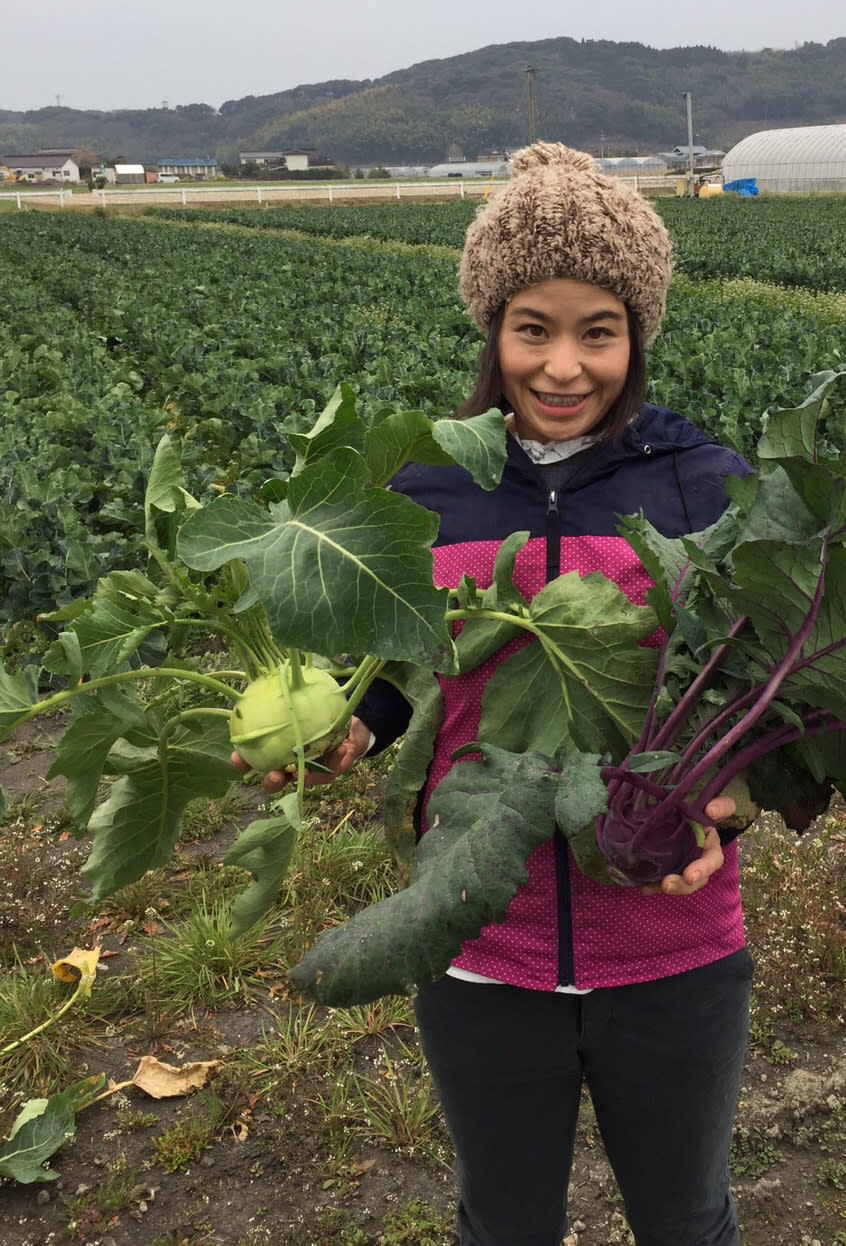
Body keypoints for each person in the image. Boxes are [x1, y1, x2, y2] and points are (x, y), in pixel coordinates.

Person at [238, 143, 754, 1246]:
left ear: (637, 334)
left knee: (685, 1214)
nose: (564, 364)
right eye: (534, 327)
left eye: (597, 330)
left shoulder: (701, 481)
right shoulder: (431, 480)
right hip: (478, 930)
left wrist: (730, 796)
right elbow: (402, 660)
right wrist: (349, 721)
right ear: (492, 328)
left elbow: (754, 688)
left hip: (669, 932)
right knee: (504, 1219)